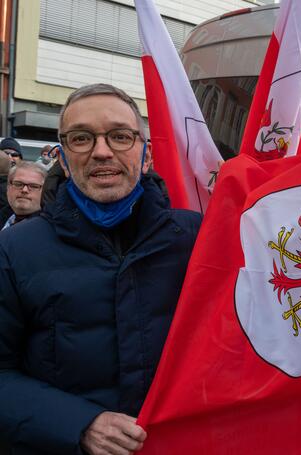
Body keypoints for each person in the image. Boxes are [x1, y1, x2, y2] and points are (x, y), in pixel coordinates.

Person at [0, 83, 202, 454]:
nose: (102, 152)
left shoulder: (196, 237)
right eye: (81, 138)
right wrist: (78, 424)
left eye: (120, 136)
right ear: (63, 158)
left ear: (146, 155)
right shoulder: (14, 249)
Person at [1, 161, 46, 230]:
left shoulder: (50, 229)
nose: (24, 190)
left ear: (45, 191)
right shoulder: (4, 216)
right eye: (18, 184)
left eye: (34, 186)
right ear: (8, 187)